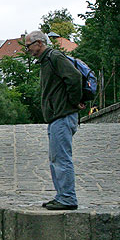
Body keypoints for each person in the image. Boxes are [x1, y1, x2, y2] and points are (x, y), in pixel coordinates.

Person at [25, 30, 83, 210]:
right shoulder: (47, 60)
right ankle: (62, 196)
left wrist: (72, 102)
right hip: (57, 117)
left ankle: (67, 198)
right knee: (56, 158)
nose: (27, 50)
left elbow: (74, 78)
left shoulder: (54, 57)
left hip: (62, 116)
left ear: (39, 43)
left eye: (29, 46)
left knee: (61, 158)